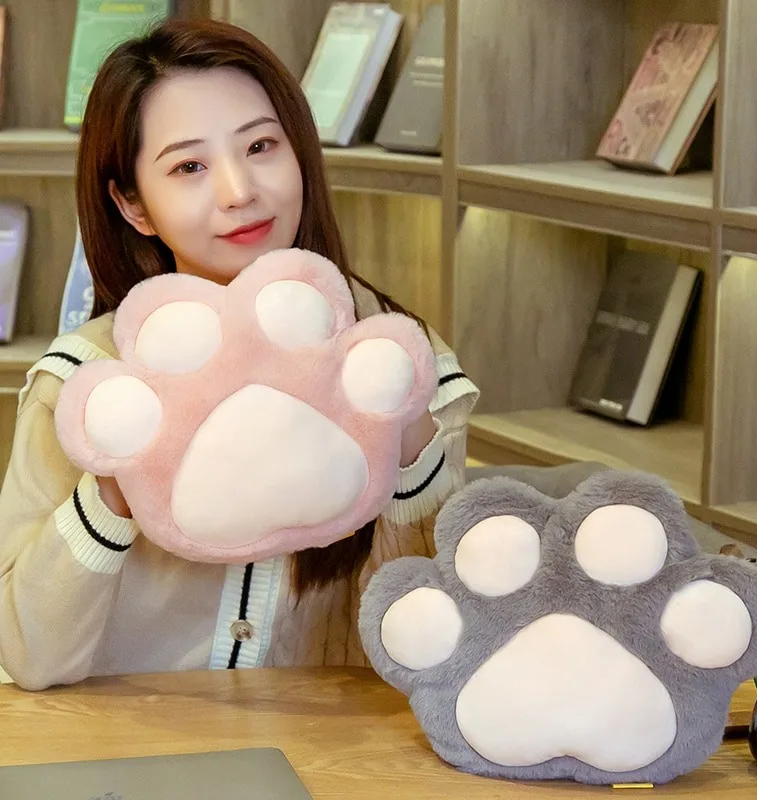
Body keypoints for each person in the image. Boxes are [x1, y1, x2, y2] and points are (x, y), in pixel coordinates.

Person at [0, 17, 479, 690]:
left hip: (326, 740)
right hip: (134, 740)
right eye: (189, 166)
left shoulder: (400, 361)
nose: (239, 191)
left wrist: (400, 442)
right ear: (134, 205)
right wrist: (118, 477)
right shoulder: (84, 383)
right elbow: (29, 657)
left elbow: (440, 647)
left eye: (260, 146)